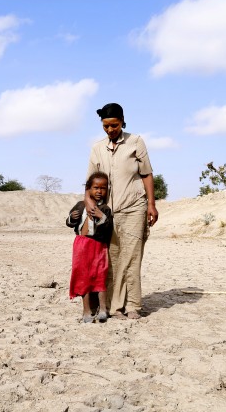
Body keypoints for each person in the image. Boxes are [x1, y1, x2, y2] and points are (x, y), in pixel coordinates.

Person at [85, 103, 158, 320]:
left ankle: (133, 305)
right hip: (107, 212)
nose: (110, 130)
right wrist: (88, 202)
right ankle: (114, 307)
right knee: (113, 258)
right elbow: (90, 181)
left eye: (114, 125)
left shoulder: (136, 142)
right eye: (106, 126)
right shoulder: (97, 148)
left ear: (122, 120)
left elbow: (146, 174)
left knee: (133, 256)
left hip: (135, 207)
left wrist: (152, 205)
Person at [66, 171, 114, 323]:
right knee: (83, 277)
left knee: (100, 275)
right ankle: (86, 311)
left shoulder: (105, 209)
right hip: (81, 245)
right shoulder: (80, 205)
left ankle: (103, 309)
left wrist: (101, 217)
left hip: (98, 246)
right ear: (88, 189)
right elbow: (69, 222)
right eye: (95, 188)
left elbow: (108, 228)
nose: (99, 191)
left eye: (103, 188)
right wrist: (71, 218)